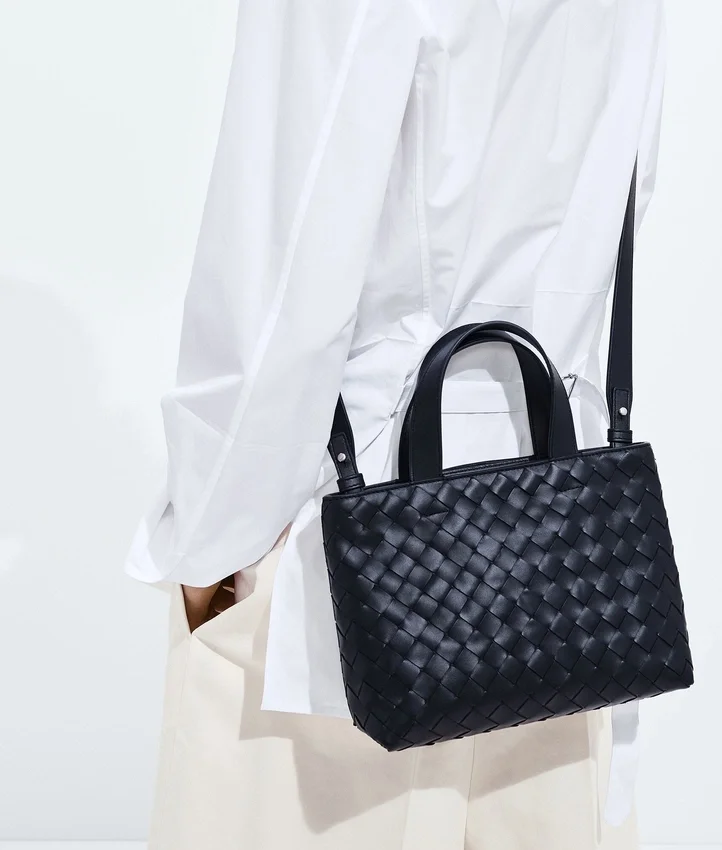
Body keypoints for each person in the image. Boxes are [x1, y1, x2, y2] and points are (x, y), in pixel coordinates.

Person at [125, 1, 666, 848]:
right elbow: (620, 199)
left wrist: (203, 546)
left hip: (341, 571)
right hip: (564, 574)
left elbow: (283, 273)